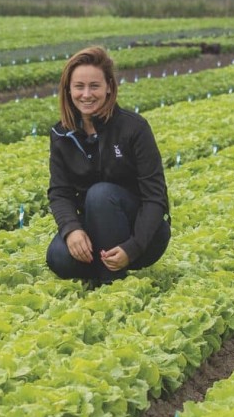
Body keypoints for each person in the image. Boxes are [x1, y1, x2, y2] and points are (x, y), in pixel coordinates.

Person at [46, 45, 170, 285]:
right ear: (68, 90)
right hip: (96, 225)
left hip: (143, 235)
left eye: (95, 86)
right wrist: (71, 230)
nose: (86, 94)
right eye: (79, 87)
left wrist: (132, 248)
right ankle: (104, 264)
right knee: (58, 257)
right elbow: (59, 192)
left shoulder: (134, 128)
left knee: (100, 194)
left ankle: (110, 280)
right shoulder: (61, 134)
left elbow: (155, 197)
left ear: (109, 87)